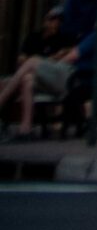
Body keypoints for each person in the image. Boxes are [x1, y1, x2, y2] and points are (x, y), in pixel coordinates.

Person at [0, 8, 73, 136]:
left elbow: (61, 60)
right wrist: (48, 58)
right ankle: (25, 127)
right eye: (51, 19)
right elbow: (21, 59)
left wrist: (40, 60)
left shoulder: (63, 39)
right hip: (31, 78)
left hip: (48, 80)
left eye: (58, 20)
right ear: (45, 21)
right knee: (27, 79)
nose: (54, 23)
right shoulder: (33, 37)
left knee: (32, 63)